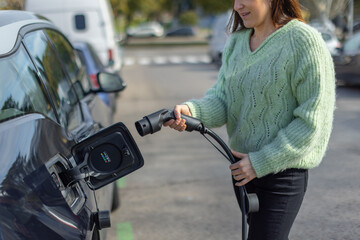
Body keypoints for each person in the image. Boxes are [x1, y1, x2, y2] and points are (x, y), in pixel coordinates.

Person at [163, 0, 336, 239]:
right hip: (241, 171)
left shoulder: (303, 41)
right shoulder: (237, 41)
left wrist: (260, 162)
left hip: (282, 172)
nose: (237, 6)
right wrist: (192, 111)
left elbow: (311, 122)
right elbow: (223, 99)